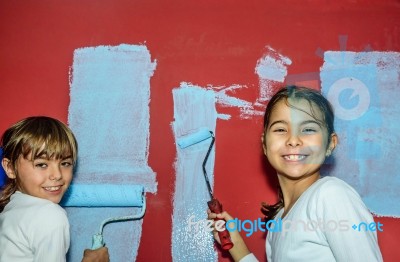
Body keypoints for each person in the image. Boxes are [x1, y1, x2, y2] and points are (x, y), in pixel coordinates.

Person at [208, 86, 383, 261]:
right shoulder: (278, 220)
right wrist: (236, 244)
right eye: (280, 129)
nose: (293, 140)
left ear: (330, 143)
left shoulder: (332, 195)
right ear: (265, 144)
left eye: (308, 129)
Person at [0, 116, 109, 262]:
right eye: (41, 164)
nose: (57, 175)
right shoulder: (50, 215)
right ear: (10, 168)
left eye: (65, 163)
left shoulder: (12, 206)